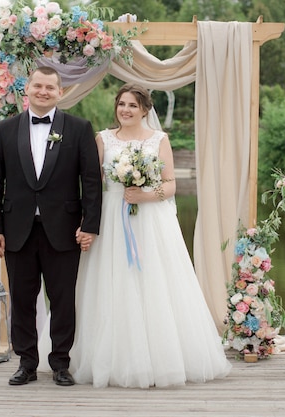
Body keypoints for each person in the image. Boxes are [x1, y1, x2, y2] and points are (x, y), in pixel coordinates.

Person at [43, 83, 231, 388]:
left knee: (154, 283)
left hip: (150, 220)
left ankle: (160, 359)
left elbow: (170, 184)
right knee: (106, 284)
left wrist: (145, 195)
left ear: (145, 109)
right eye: (121, 104)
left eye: (132, 105)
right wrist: (86, 220)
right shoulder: (103, 139)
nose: (125, 110)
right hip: (110, 218)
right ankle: (98, 357)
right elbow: (93, 183)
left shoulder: (159, 140)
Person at [0, 66, 102, 386]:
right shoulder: (6, 129)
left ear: (60, 92)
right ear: (28, 89)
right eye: (38, 85)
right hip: (17, 230)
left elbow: (91, 182)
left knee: (63, 300)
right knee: (22, 299)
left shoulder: (79, 129)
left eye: (50, 87)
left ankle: (61, 363)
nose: (43, 91)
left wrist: (90, 225)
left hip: (64, 230)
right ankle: (27, 363)